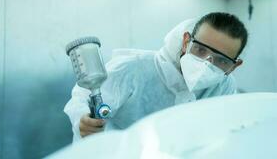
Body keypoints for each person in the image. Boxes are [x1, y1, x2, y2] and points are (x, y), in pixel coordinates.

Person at [64, 12, 248, 142]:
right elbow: (82, 98)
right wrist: (83, 120)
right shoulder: (135, 68)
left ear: (234, 65)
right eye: (200, 49)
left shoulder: (224, 86)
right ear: (186, 42)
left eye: (221, 60)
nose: (206, 64)